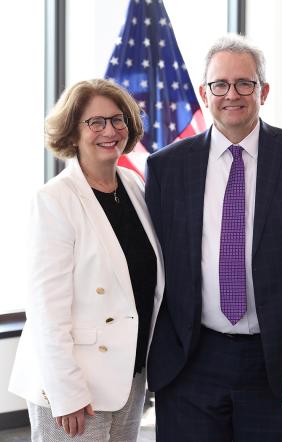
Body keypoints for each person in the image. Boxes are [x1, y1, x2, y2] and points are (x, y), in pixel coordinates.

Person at [145, 34, 282, 442]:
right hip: (190, 360)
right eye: (220, 84)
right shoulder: (166, 168)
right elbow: (152, 267)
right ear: (204, 93)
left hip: (274, 362)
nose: (232, 94)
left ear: (263, 91)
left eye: (244, 83)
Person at [9, 79, 165, 441]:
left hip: (128, 376)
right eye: (95, 122)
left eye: (117, 120)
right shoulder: (54, 200)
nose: (109, 131)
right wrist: (67, 393)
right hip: (75, 387)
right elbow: (47, 309)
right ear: (72, 132)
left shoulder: (134, 185)